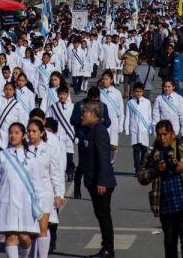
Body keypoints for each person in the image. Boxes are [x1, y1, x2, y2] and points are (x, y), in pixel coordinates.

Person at [138, 119, 183, 258]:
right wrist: (156, 169)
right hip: (166, 205)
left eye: (165, 134)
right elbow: (141, 176)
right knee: (170, 242)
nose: (162, 138)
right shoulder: (153, 151)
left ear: (173, 134)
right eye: (159, 135)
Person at [0, 122, 46, 258]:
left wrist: (40, 205)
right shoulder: (1, 156)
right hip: (6, 202)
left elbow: (37, 184)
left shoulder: (31, 157)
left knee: (24, 238)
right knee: (11, 237)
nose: (12, 136)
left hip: (26, 204)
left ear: (23, 136)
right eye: (10, 133)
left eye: (16, 133)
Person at [80, 101, 116, 258]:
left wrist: (101, 181)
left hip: (101, 182)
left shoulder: (99, 131)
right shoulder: (91, 130)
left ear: (93, 114)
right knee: (101, 215)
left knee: (103, 215)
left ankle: (108, 248)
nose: (82, 115)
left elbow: (103, 157)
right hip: (94, 180)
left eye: (85, 112)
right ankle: (106, 247)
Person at [26, 118, 65, 258]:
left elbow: (55, 174)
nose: (31, 134)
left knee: (43, 228)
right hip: (27, 195)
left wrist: (58, 194)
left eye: (34, 131)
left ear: (41, 133)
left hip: (45, 194)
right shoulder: (23, 150)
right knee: (30, 231)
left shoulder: (49, 150)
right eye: (29, 131)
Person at [46, 85, 76, 181]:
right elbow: (48, 120)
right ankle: (59, 174)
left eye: (64, 94)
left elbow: (76, 121)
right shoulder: (53, 107)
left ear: (67, 95)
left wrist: (76, 135)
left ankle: (70, 172)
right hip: (57, 135)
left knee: (69, 156)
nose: (62, 96)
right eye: (60, 94)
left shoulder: (72, 107)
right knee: (58, 157)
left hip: (69, 135)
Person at [125, 83, 153, 174]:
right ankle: (137, 169)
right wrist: (127, 129)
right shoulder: (130, 103)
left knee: (144, 150)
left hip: (144, 129)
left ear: (143, 92)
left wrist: (150, 128)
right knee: (136, 150)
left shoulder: (147, 102)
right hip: (134, 129)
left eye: (140, 91)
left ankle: (142, 167)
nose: (138, 93)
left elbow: (149, 116)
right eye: (136, 91)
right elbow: (128, 117)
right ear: (133, 92)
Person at [0, 82, 30, 150]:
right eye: (6, 89)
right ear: (3, 90)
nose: (8, 91)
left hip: (12, 133)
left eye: (10, 89)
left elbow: (22, 120)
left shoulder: (18, 104)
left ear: (14, 91)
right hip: (0, 131)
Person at [98, 70, 124, 164]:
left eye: (106, 79)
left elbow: (121, 109)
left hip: (114, 122)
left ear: (111, 80)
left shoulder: (117, 93)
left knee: (113, 146)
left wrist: (121, 124)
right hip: (103, 122)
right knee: (103, 145)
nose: (104, 81)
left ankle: (111, 162)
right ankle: (105, 163)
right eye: (103, 79)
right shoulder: (100, 93)